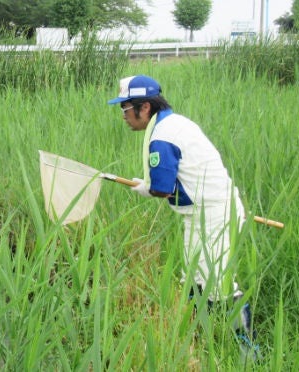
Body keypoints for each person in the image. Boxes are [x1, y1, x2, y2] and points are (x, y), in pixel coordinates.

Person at [108, 75, 259, 359]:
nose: (124, 116)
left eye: (125, 109)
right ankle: (199, 338)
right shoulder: (175, 122)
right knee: (194, 279)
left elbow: (162, 189)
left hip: (214, 215)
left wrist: (145, 188)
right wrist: (150, 185)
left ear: (145, 108)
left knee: (219, 285)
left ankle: (248, 350)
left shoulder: (163, 137)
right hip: (202, 213)